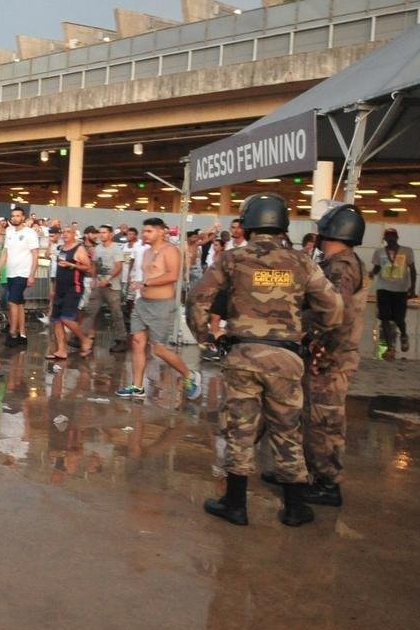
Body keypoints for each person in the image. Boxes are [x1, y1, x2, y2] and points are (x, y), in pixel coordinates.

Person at [188, 194, 343, 527]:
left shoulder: (232, 259)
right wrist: (318, 338)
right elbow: (333, 307)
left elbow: (198, 299)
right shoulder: (301, 262)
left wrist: (205, 337)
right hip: (286, 359)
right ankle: (296, 508)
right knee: (287, 431)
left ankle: (235, 505)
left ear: (248, 223)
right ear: (282, 224)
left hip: (242, 356)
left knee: (240, 430)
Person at [289, 204, 367, 507]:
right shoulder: (341, 262)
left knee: (325, 421)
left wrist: (317, 341)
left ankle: (327, 483)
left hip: (331, 357)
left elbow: (335, 311)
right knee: (314, 417)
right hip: (331, 353)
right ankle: (314, 474)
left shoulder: (340, 266)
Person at [116, 217, 201, 401]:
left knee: (159, 349)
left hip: (162, 305)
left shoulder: (170, 251)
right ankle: (137, 386)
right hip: (143, 302)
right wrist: (137, 283)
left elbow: (173, 275)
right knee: (137, 342)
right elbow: (147, 274)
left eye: (149, 231)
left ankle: (189, 374)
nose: (145, 234)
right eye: (144, 231)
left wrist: (147, 281)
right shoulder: (145, 252)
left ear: (161, 232)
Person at [46, 226, 93, 360]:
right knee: (56, 320)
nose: (65, 234)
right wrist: (54, 290)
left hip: (73, 288)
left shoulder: (79, 249)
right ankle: (61, 350)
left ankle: (84, 340)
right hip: (60, 287)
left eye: (68, 232)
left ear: (74, 234)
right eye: (64, 232)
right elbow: (58, 270)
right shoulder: (61, 248)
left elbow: (88, 267)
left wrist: (72, 265)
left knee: (66, 318)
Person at [371, 227, 416, 357]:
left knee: (399, 318)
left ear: (397, 238)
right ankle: (390, 348)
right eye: (388, 237)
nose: (390, 239)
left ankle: (404, 335)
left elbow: (412, 269)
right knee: (384, 318)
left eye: (393, 237)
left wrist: (412, 287)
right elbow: (377, 267)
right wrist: (371, 275)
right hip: (383, 288)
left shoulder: (407, 251)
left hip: (401, 289)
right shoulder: (379, 252)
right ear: (384, 239)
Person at [0, 206, 39, 346]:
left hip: (23, 273)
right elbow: (5, 252)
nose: (15, 218)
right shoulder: (9, 231)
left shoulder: (30, 233)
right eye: (13, 215)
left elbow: (35, 255)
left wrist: (32, 274)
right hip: (10, 272)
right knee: (19, 304)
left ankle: (12, 333)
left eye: (18, 216)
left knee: (12, 302)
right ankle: (23, 334)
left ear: (23, 217)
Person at [83, 224, 127, 352]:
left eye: (104, 232)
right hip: (98, 285)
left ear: (111, 234)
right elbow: (95, 265)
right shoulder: (98, 248)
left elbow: (118, 266)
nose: (101, 235)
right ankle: (82, 335)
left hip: (112, 287)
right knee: (90, 310)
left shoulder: (116, 249)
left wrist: (107, 278)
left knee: (116, 313)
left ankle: (121, 339)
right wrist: (94, 279)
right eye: (100, 232)